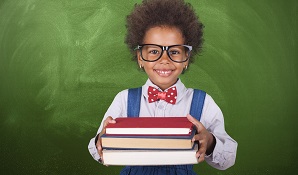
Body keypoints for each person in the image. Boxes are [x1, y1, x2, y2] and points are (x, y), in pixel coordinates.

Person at [88, 0, 237, 174]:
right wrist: (102, 139)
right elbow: (95, 150)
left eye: (174, 52)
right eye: (153, 51)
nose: (164, 60)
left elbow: (229, 158)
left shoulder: (203, 102)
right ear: (140, 57)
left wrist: (210, 142)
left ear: (187, 58)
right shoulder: (124, 99)